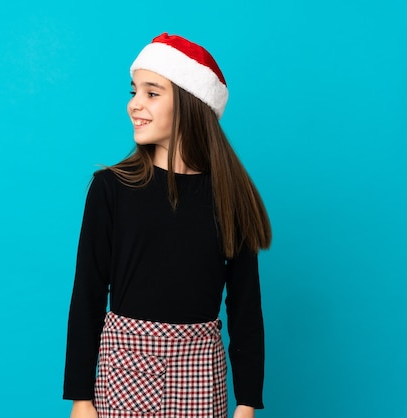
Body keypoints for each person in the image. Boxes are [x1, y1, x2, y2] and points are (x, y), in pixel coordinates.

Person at [63, 33, 271, 418]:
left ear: (191, 104)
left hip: (200, 374)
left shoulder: (230, 197)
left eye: (152, 93)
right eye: (134, 91)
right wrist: (81, 397)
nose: (134, 105)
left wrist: (246, 404)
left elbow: (245, 308)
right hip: (123, 372)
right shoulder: (110, 189)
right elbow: (87, 294)